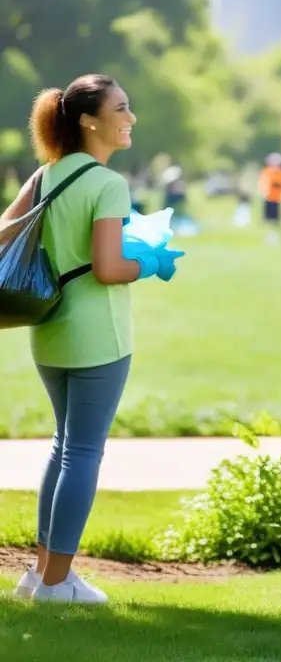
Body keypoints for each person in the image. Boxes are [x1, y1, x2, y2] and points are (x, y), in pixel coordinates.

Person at [1, 75, 182, 604]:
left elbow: (5, 235)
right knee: (82, 452)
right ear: (89, 120)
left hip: (48, 330)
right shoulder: (108, 184)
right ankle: (57, 584)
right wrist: (147, 260)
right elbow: (108, 269)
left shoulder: (44, 175)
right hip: (97, 335)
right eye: (121, 108)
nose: (131, 118)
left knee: (62, 448)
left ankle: (39, 575)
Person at [259, 153, 281, 243]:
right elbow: (263, 185)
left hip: (277, 199)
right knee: (268, 219)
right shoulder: (267, 172)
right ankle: (269, 235)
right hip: (269, 198)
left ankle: (274, 235)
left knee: (275, 220)